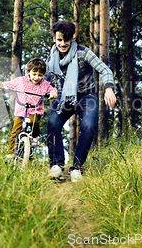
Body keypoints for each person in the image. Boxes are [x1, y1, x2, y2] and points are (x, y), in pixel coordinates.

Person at [45, 21, 117, 182]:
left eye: (66, 40)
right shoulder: (52, 58)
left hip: (86, 96)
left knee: (89, 125)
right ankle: (56, 165)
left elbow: (104, 69)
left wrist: (109, 88)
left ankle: (77, 168)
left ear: (72, 39)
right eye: (59, 40)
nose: (63, 44)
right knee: (53, 122)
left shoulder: (83, 53)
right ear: (54, 39)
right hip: (64, 97)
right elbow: (46, 80)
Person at [0, 58, 58, 155]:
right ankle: (10, 154)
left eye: (40, 75)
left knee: (34, 121)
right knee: (15, 131)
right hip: (21, 111)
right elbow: (10, 85)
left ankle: (35, 138)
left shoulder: (44, 84)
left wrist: (53, 93)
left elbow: (52, 89)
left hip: (35, 110)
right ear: (28, 72)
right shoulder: (21, 81)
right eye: (34, 74)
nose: (36, 77)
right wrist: (3, 85)